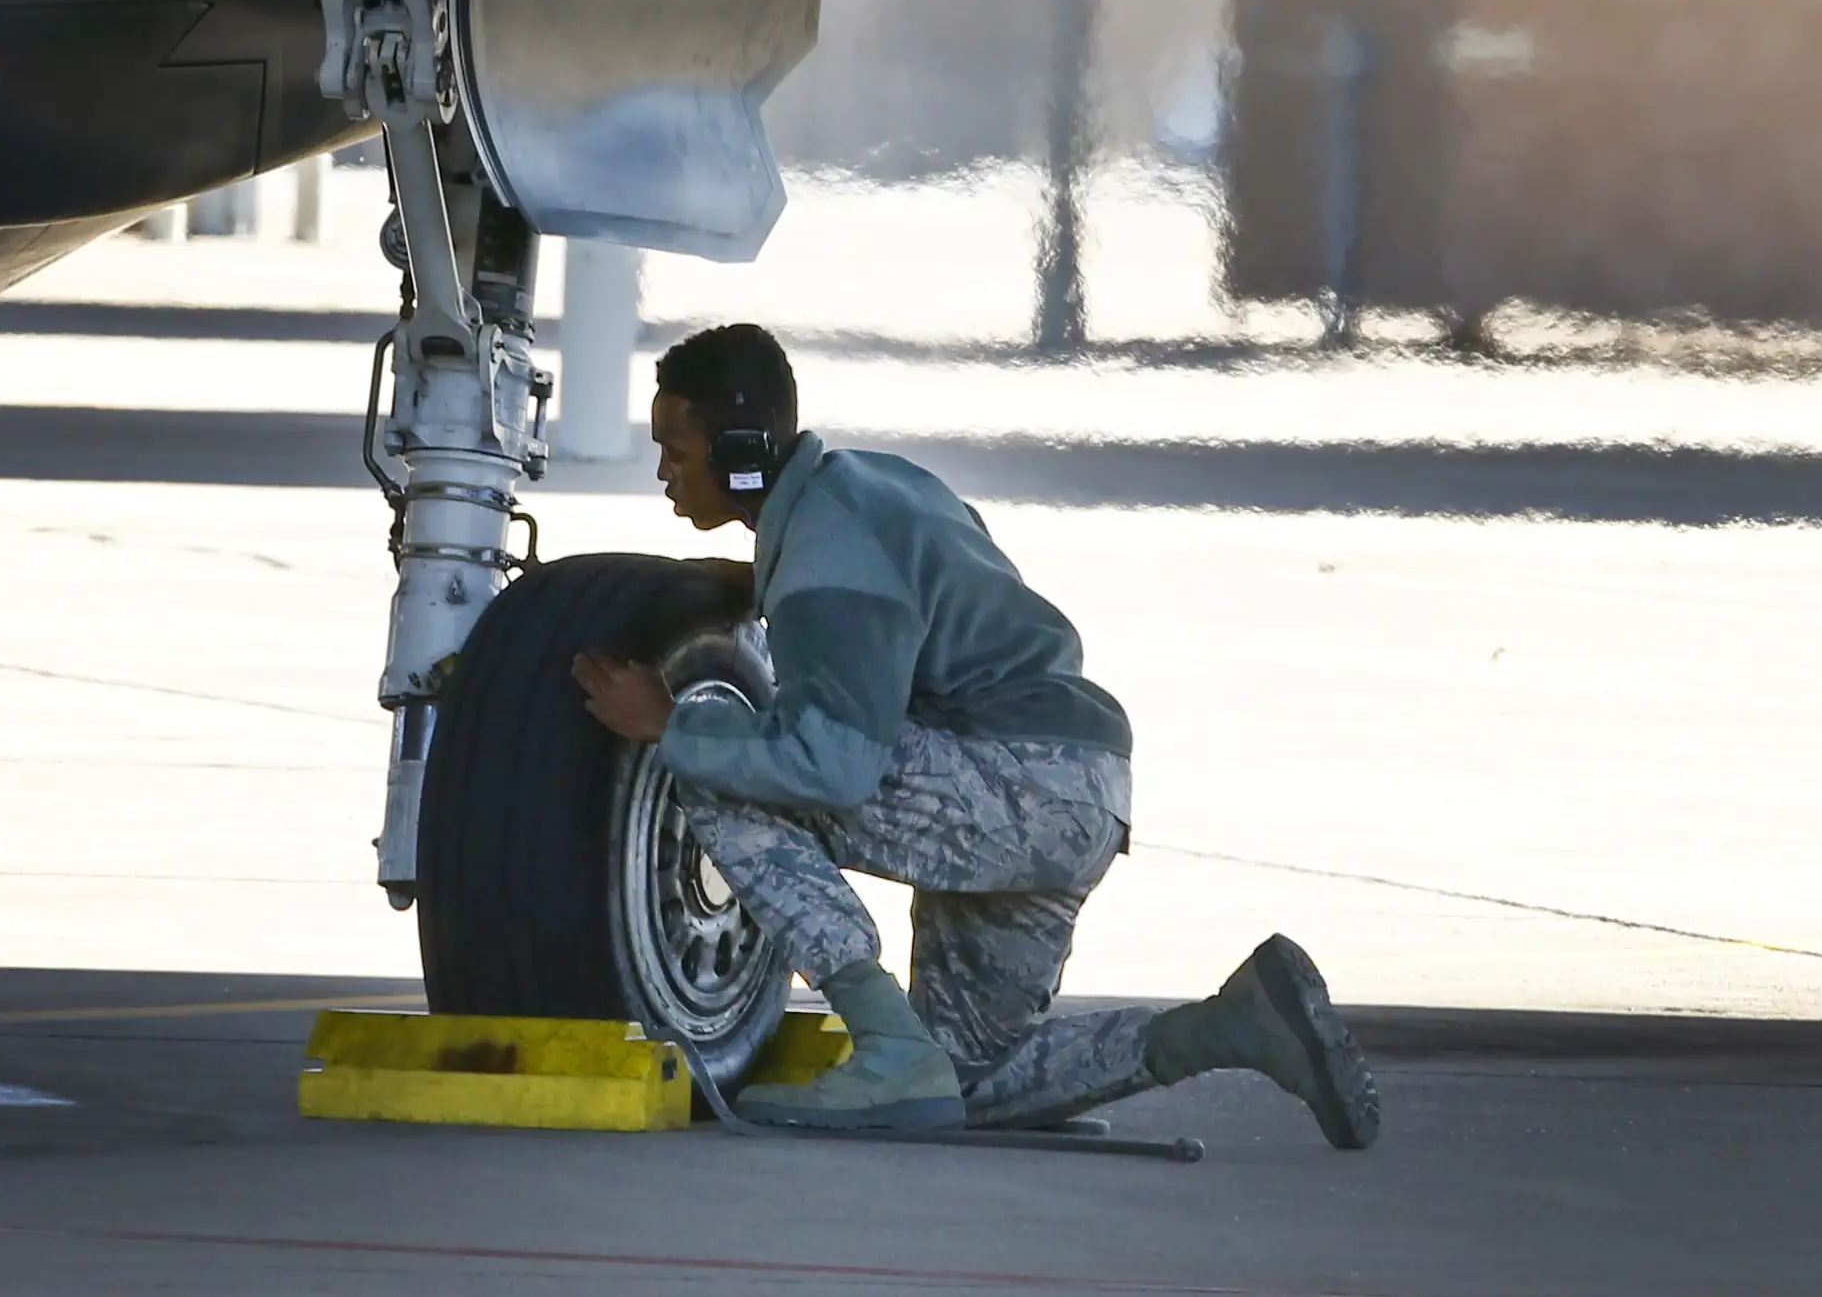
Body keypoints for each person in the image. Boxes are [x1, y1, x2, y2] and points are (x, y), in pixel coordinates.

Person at [570, 322, 1382, 1145]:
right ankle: (1226, 1028)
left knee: (717, 756)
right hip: (1077, 792)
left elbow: (834, 765)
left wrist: (667, 720)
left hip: (1011, 782)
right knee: (958, 1088)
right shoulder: (875, 488)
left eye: (677, 445)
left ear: (741, 448)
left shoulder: (826, 551)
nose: (664, 470)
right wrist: (772, 584)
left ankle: (882, 1036)